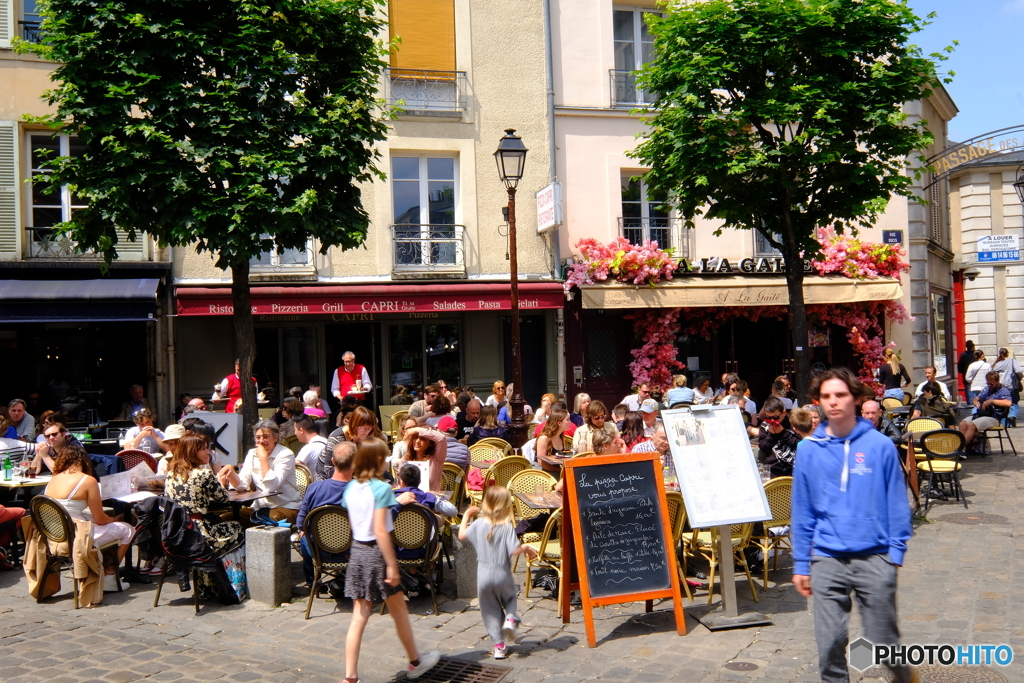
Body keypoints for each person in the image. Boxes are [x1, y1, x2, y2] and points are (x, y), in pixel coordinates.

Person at [791, 367, 914, 683]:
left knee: (883, 641)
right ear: (818, 401)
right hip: (827, 557)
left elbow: (897, 503)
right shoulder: (808, 450)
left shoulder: (880, 446)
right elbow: (803, 511)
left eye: (841, 395)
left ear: (857, 399)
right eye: (826, 396)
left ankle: (904, 675)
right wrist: (801, 563)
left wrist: (895, 553)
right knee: (829, 643)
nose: (833, 402)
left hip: (875, 556)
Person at [341, 438, 441, 683]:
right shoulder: (382, 489)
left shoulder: (351, 488)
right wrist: (392, 564)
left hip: (358, 551)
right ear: (377, 460)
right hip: (377, 554)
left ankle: (350, 677)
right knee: (399, 611)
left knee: (359, 616)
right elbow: (381, 530)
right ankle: (415, 660)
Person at [458, 486, 538, 660]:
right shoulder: (507, 527)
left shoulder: (478, 524)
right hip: (502, 572)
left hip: (484, 575)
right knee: (509, 599)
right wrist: (525, 547)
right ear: (507, 505)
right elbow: (515, 551)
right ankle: (509, 619)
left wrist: (466, 516)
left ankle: (499, 647)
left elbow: (461, 535)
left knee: (490, 610)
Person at [44, 443, 136, 592]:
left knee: (101, 526)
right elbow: (100, 518)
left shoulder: (53, 480)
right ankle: (110, 577)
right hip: (76, 537)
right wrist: (112, 520)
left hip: (55, 535)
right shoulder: (87, 480)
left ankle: (100, 568)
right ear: (84, 460)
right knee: (127, 530)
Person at [164, 433, 244, 598]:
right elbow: (223, 499)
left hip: (176, 534)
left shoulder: (170, 476)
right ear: (192, 452)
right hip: (200, 534)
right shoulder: (204, 474)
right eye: (203, 449)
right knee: (236, 527)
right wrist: (220, 484)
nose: (208, 452)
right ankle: (229, 584)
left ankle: (208, 585)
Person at [296, 441, 356, 590]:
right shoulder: (362, 491)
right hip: (351, 553)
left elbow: (300, 523)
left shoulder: (314, 488)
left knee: (303, 536)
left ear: (333, 460)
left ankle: (312, 581)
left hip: (319, 552)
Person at [218, 420, 300, 525]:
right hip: (259, 508)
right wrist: (231, 473)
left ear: (275, 438)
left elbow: (271, 487)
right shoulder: (252, 453)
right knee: (224, 519)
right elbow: (242, 485)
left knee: (266, 520)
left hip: (286, 507)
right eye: (258, 437)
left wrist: (263, 459)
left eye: (266, 437)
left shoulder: (285, 454)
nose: (261, 441)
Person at [959, 371, 1012, 450]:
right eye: (988, 384)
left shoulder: (1003, 391)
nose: (989, 386)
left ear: (997, 381)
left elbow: (1008, 403)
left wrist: (992, 401)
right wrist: (976, 402)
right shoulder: (987, 389)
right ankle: (965, 448)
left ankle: (960, 449)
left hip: (994, 417)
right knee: (963, 423)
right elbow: (976, 398)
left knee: (972, 425)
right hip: (982, 414)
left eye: (992, 384)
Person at [392, 463, 459, 518]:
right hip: (423, 533)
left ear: (401, 482)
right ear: (420, 481)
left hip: (395, 534)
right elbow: (453, 511)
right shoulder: (429, 497)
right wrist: (436, 496)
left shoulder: (391, 496)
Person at [758, 397, 799, 478]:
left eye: (775, 417)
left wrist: (783, 433)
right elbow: (763, 447)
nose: (772, 420)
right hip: (773, 469)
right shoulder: (764, 425)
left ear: (783, 412)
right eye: (769, 418)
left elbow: (800, 444)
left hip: (793, 468)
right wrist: (771, 435)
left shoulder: (794, 423)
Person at [399, 426, 447, 492]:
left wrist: (416, 429)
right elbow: (400, 484)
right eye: (415, 437)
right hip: (410, 499)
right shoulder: (405, 460)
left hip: (431, 499)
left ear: (430, 443)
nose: (417, 441)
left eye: (423, 439)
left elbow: (441, 438)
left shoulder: (436, 459)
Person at [992, 347, 1022, 427]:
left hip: (1000, 387)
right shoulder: (1012, 361)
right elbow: (1019, 371)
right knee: (1014, 402)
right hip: (1011, 385)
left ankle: (1005, 423)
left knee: (1002, 405)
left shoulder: (997, 364)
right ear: (1007, 354)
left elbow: (991, 374)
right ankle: (1012, 415)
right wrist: (1019, 377)